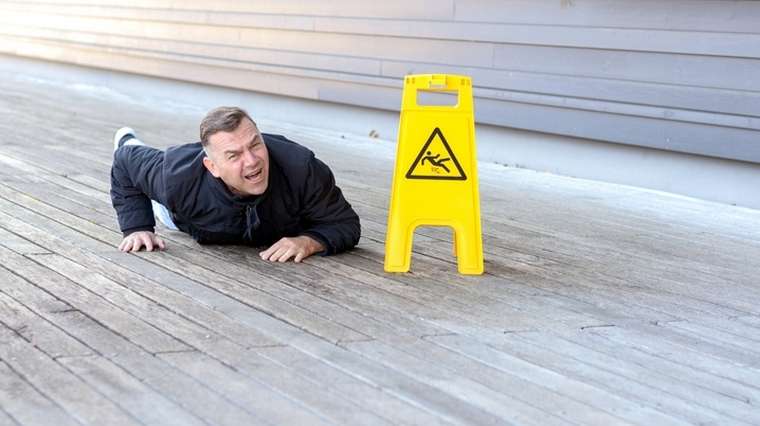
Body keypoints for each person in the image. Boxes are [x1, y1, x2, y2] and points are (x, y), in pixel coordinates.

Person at [110, 106, 360, 262]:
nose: (252, 161)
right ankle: (130, 140)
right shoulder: (175, 178)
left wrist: (309, 241)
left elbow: (345, 224)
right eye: (234, 155)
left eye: (255, 145)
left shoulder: (301, 168)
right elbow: (123, 164)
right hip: (178, 215)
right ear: (213, 167)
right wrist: (137, 227)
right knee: (132, 154)